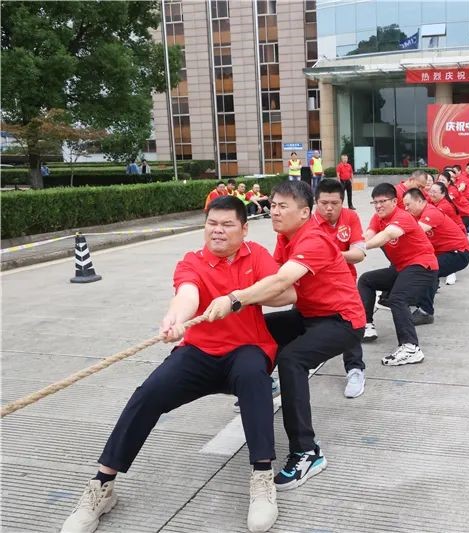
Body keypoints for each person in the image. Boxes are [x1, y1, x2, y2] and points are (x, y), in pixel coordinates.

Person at [60, 196, 291, 533]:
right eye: (212, 223)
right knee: (148, 394)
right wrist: (176, 319)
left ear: (244, 229)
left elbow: (286, 294)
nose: (218, 230)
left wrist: (238, 298)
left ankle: (262, 477)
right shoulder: (192, 261)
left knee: (254, 378)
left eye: (227, 224)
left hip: (246, 348)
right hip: (198, 352)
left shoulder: (256, 255)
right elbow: (186, 294)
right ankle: (102, 486)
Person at [204, 181, 365, 491]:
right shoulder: (285, 237)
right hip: (309, 315)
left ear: (304, 213)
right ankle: (258, 385)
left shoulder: (315, 239)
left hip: (343, 321)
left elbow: (281, 281)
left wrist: (236, 298)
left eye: (283, 206)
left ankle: (307, 452)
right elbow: (269, 276)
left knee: (292, 359)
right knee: (257, 330)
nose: (274, 211)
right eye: (273, 205)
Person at [354, 182, 438, 366]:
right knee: (367, 280)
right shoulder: (378, 218)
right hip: (402, 268)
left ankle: (411, 348)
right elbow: (368, 236)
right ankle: (367, 326)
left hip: (422, 266)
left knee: (398, 299)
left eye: (382, 201)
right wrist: (352, 246)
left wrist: (356, 249)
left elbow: (385, 236)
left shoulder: (402, 217)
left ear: (394, 201)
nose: (378, 206)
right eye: (375, 202)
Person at [312, 179, 367, 398]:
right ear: (315, 202)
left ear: (342, 202)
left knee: (350, 325)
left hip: (345, 283)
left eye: (334, 203)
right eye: (324, 203)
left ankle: (355, 370)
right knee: (301, 327)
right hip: (312, 285)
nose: (329, 208)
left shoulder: (350, 217)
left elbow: (359, 254)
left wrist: (328, 256)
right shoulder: (307, 222)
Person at [403, 188, 469, 322]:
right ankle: (417, 299)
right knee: (424, 266)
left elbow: (413, 234)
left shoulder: (431, 212)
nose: (406, 208)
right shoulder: (417, 214)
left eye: (408, 204)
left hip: (458, 253)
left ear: (419, 201)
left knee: (427, 270)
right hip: (443, 252)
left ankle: (425, 312)